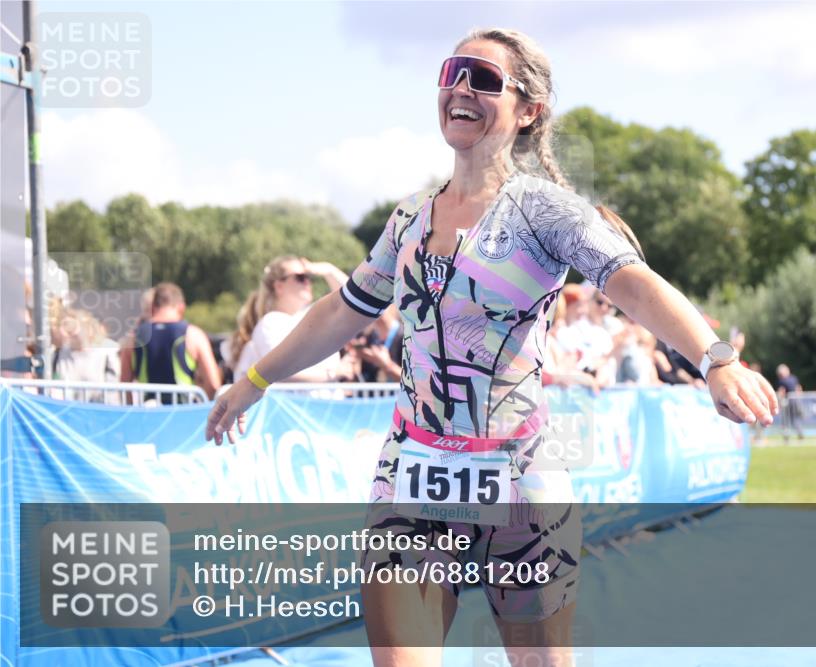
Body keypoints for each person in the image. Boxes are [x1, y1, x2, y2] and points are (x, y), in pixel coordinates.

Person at [206, 28, 778, 667]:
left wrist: (716, 359)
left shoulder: (547, 212)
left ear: (528, 110)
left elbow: (634, 286)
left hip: (522, 483)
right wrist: (252, 380)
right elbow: (343, 310)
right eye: (453, 71)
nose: (461, 87)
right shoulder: (406, 221)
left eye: (483, 77)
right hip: (413, 479)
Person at [228, 255, 350, 382]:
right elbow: (278, 371)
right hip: (296, 402)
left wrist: (329, 270)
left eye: (308, 277)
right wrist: (332, 374)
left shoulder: (311, 315)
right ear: (279, 286)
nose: (307, 282)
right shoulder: (270, 323)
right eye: (300, 277)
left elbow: (352, 302)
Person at [121, 282, 222, 402]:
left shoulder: (132, 338)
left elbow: (124, 387)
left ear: (153, 307)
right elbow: (213, 384)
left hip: (148, 414)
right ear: (181, 307)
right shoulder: (194, 335)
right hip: (184, 414)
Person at [775, 363, 804, 441]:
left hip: (792, 402)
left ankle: (797, 435)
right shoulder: (786, 380)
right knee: (787, 420)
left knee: (791, 420)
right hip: (789, 402)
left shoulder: (791, 379)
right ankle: (788, 436)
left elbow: (797, 388)